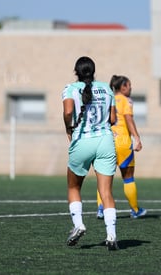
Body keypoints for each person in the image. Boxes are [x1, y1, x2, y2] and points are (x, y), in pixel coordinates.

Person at [62, 56, 119, 250]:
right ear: (93, 71)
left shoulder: (70, 89)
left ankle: (78, 225)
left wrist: (68, 128)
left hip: (82, 141)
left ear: (76, 72)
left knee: (73, 187)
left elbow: (68, 112)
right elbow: (112, 118)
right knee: (106, 192)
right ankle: (111, 235)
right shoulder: (106, 88)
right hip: (105, 141)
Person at [96, 75, 147, 219]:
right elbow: (128, 119)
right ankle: (135, 210)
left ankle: (101, 209)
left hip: (107, 142)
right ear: (123, 87)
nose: (130, 88)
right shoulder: (126, 101)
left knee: (103, 178)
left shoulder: (107, 98)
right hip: (123, 143)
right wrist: (136, 137)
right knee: (128, 177)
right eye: (129, 85)